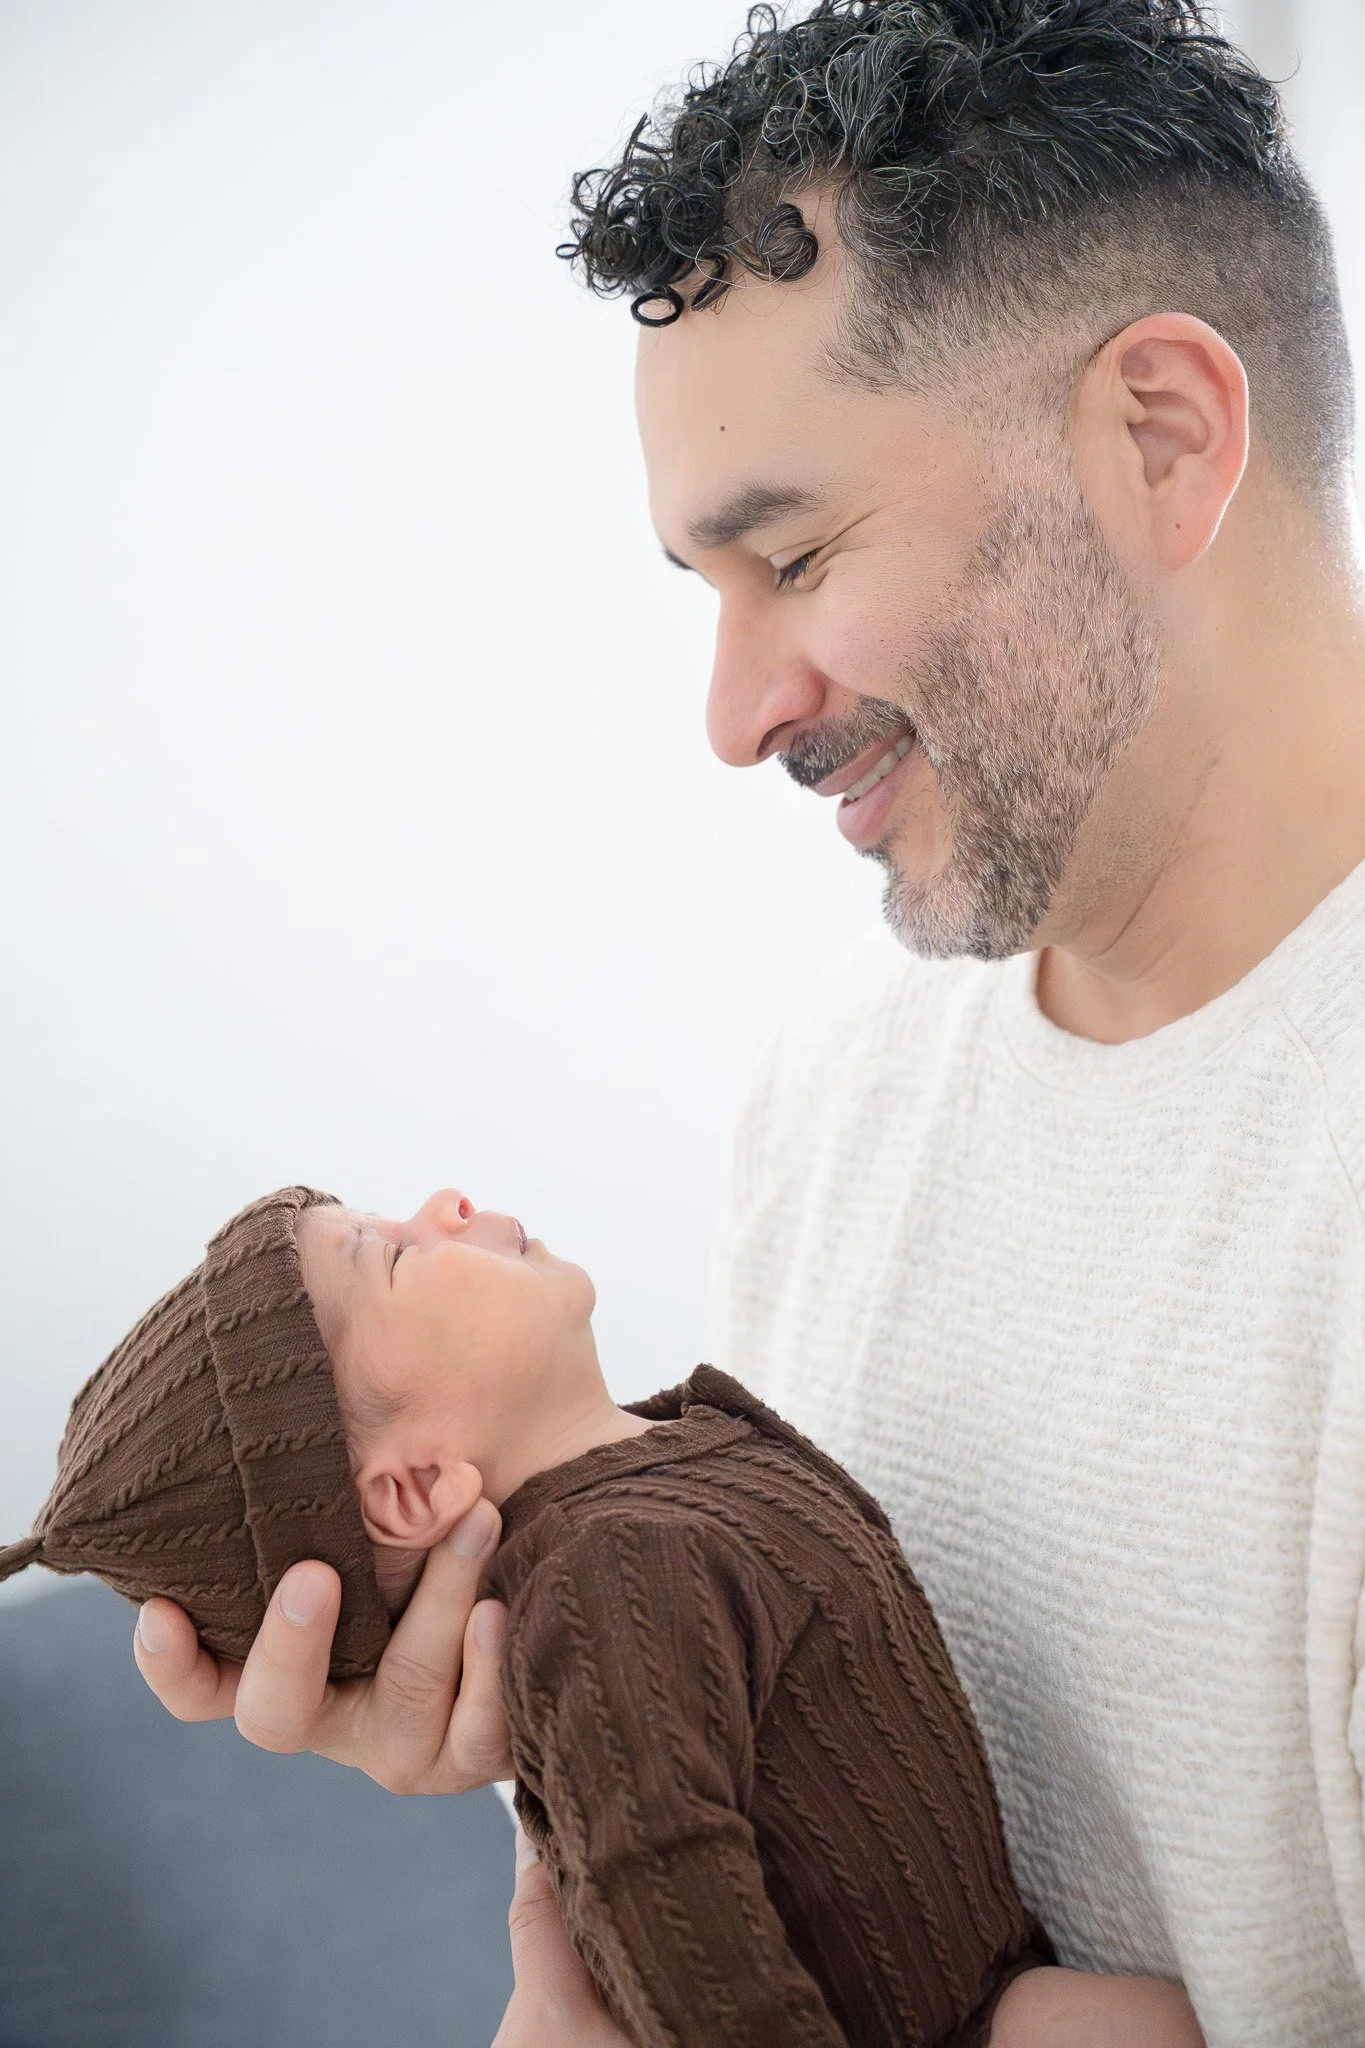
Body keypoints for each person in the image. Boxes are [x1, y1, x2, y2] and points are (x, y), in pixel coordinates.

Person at [135, 2, 1365, 2043]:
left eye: (787, 557)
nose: (732, 718)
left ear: (1159, 436)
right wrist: (587, 1715)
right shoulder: (845, 1075)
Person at [10, 1181, 1206, 2044]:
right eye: (396, 1256)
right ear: (415, 1485)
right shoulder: (604, 1579)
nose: (446, 1200)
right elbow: (660, 1891)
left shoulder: (667, 1461)